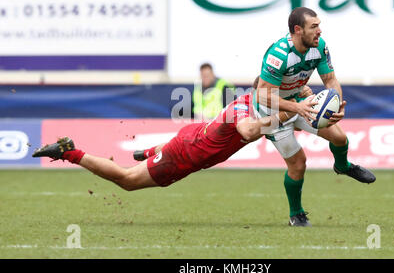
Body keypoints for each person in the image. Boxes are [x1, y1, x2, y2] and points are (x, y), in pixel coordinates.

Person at [32, 79, 315, 198]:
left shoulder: (253, 104)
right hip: (185, 154)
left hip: (189, 138)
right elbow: (250, 131)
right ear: (261, 93)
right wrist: (290, 114)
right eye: (275, 94)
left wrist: (306, 107)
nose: (279, 98)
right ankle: (68, 151)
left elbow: (280, 123)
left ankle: (150, 151)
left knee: (149, 164)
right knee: (127, 181)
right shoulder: (244, 110)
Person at [256, 7, 376, 227]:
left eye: (319, 25)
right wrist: (295, 108)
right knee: (299, 163)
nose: (320, 31)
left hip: (300, 103)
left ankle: (342, 166)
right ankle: (296, 214)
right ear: (298, 30)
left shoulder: (319, 46)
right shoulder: (279, 54)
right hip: (272, 114)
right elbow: (263, 95)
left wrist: (337, 104)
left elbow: (330, 81)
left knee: (340, 138)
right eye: (314, 26)